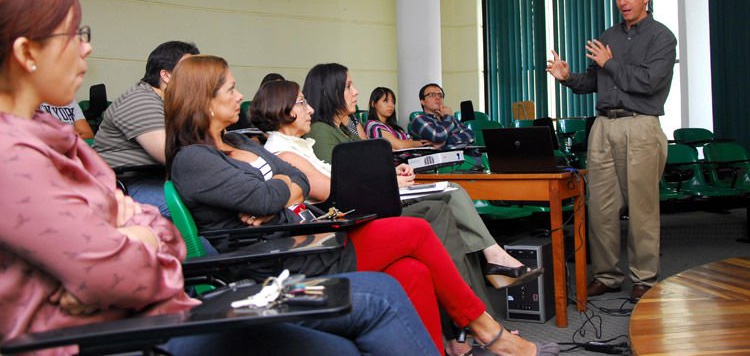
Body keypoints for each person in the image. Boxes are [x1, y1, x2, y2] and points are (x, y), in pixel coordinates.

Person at [0, 0, 447, 356]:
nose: (87, 48)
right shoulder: (14, 158)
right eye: (75, 34)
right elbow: (120, 277)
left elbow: (164, 238)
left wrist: (136, 235)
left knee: (390, 285)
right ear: (26, 53)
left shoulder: (62, 141)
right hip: (129, 329)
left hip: (166, 305)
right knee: (377, 301)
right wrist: (130, 239)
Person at [165, 56, 559, 356]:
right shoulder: (194, 159)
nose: (239, 96)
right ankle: (488, 332)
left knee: (411, 271)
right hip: (282, 259)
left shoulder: (243, 142)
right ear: (204, 101)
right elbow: (270, 194)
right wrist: (281, 189)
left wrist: (283, 188)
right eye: (230, 90)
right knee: (418, 230)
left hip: (312, 238)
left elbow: (297, 180)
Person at [301, 65, 543, 286]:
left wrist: (391, 170)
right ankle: (493, 257)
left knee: (452, 196)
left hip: (380, 196)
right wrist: (390, 178)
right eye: (348, 86)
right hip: (370, 209)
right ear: (328, 92)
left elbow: (463, 138)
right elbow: (341, 184)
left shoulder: (345, 129)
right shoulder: (323, 132)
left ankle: (491, 263)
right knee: (449, 197)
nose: (356, 92)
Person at [546, 0, 676, 302]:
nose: (623, 2)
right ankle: (606, 275)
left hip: (641, 125)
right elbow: (594, 80)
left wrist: (610, 63)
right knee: (600, 207)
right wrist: (567, 77)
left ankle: (644, 279)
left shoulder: (662, 37)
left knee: (642, 208)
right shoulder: (608, 34)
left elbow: (649, 82)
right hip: (603, 126)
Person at [93, 40, 200, 216]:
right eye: (189, 71)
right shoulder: (140, 100)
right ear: (166, 76)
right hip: (127, 185)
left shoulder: (173, 104)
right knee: (201, 210)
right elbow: (170, 153)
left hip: (160, 179)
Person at [411, 83, 475, 148]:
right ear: (422, 101)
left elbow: (471, 135)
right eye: (432, 95)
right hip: (441, 157)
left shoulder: (449, 118)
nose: (437, 97)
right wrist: (447, 116)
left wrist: (445, 142)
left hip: (466, 154)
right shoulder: (419, 119)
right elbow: (438, 136)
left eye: (440, 95)